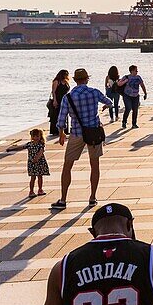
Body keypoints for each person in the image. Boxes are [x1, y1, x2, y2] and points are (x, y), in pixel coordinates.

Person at [52, 68, 112, 211]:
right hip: (94, 133)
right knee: (94, 165)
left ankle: (63, 199)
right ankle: (92, 197)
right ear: (87, 79)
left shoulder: (69, 97)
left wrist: (61, 133)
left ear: (74, 80)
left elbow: (61, 119)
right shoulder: (94, 92)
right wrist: (104, 107)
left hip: (77, 133)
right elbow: (109, 102)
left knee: (67, 166)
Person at [6, 128, 50, 198]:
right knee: (33, 178)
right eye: (34, 136)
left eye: (37, 136)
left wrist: (36, 158)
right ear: (31, 137)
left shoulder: (41, 144)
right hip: (32, 163)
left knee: (40, 176)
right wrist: (12, 149)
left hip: (39, 163)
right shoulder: (29, 144)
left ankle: (40, 189)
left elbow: (41, 152)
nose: (35, 138)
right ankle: (31, 191)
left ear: (40, 136)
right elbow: (21, 147)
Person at [119, 65, 147, 129]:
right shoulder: (126, 77)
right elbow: (119, 84)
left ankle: (134, 124)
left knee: (135, 110)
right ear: (131, 71)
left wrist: (145, 93)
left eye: (137, 70)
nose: (137, 71)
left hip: (136, 96)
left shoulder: (138, 77)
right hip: (127, 96)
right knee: (128, 108)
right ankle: (124, 122)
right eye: (136, 70)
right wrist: (125, 81)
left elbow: (142, 85)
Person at [48, 69, 71, 137]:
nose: (67, 76)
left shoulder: (66, 82)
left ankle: (65, 130)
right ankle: (55, 131)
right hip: (58, 99)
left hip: (65, 99)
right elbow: (53, 92)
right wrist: (55, 100)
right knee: (56, 115)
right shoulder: (56, 81)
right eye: (66, 74)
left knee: (65, 114)